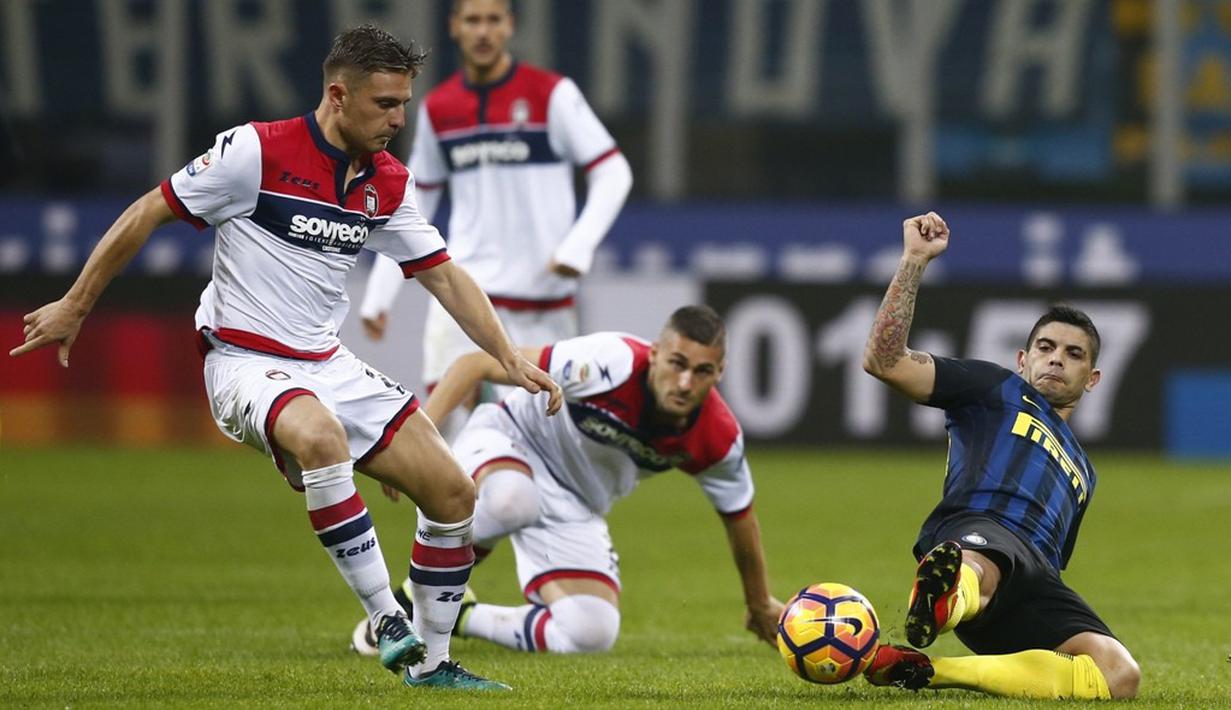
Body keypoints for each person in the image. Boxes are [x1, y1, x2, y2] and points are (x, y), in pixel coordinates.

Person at [9, 25, 562, 692]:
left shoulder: (385, 182)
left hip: (326, 362)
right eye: (385, 104)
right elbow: (148, 211)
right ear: (338, 94)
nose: (399, 119)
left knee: (453, 494)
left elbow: (444, 276)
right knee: (320, 438)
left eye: (404, 104)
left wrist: (507, 354)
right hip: (241, 358)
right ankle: (386, 620)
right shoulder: (255, 151)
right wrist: (76, 302)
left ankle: (433, 664)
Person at [350, 305, 784, 656]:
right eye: (677, 363)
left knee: (591, 632)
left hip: (576, 503)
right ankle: (412, 601)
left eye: (703, 371)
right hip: (511, 440)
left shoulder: (718, 437)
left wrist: (759, 604)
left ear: (720, 373)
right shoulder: (608, 362)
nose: (686, 382)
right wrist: (422, 443)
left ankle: (459, 615)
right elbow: (474, 364)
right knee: (511, 500)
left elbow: (739, 519)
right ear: (654, 354)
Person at [858, 212, 1141, 699]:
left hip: (1034, 577)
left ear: (1093, 379)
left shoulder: (1085, 473)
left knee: (1120, 675)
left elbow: (1056, 559)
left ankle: (932, 670)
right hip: (979, 531)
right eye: (1046, 347)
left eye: (1074, 354)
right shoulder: (995, 387)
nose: (1056, 358)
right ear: (1023, 359)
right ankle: (946, 594)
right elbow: (883, 361)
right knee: (984, 560)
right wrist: (913, 261)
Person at [358, 0, 633, 435]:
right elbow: (413, 203)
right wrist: (379, 294)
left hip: (542, 305)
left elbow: (613, 171)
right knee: (441, 444)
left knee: (541, 443)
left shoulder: (551, 95)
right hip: (464, 300)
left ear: (510, 26)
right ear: (454, 27)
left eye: (492, 20)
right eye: (472, 20)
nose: (482, 31)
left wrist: (577, 248)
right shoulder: (439, 108)